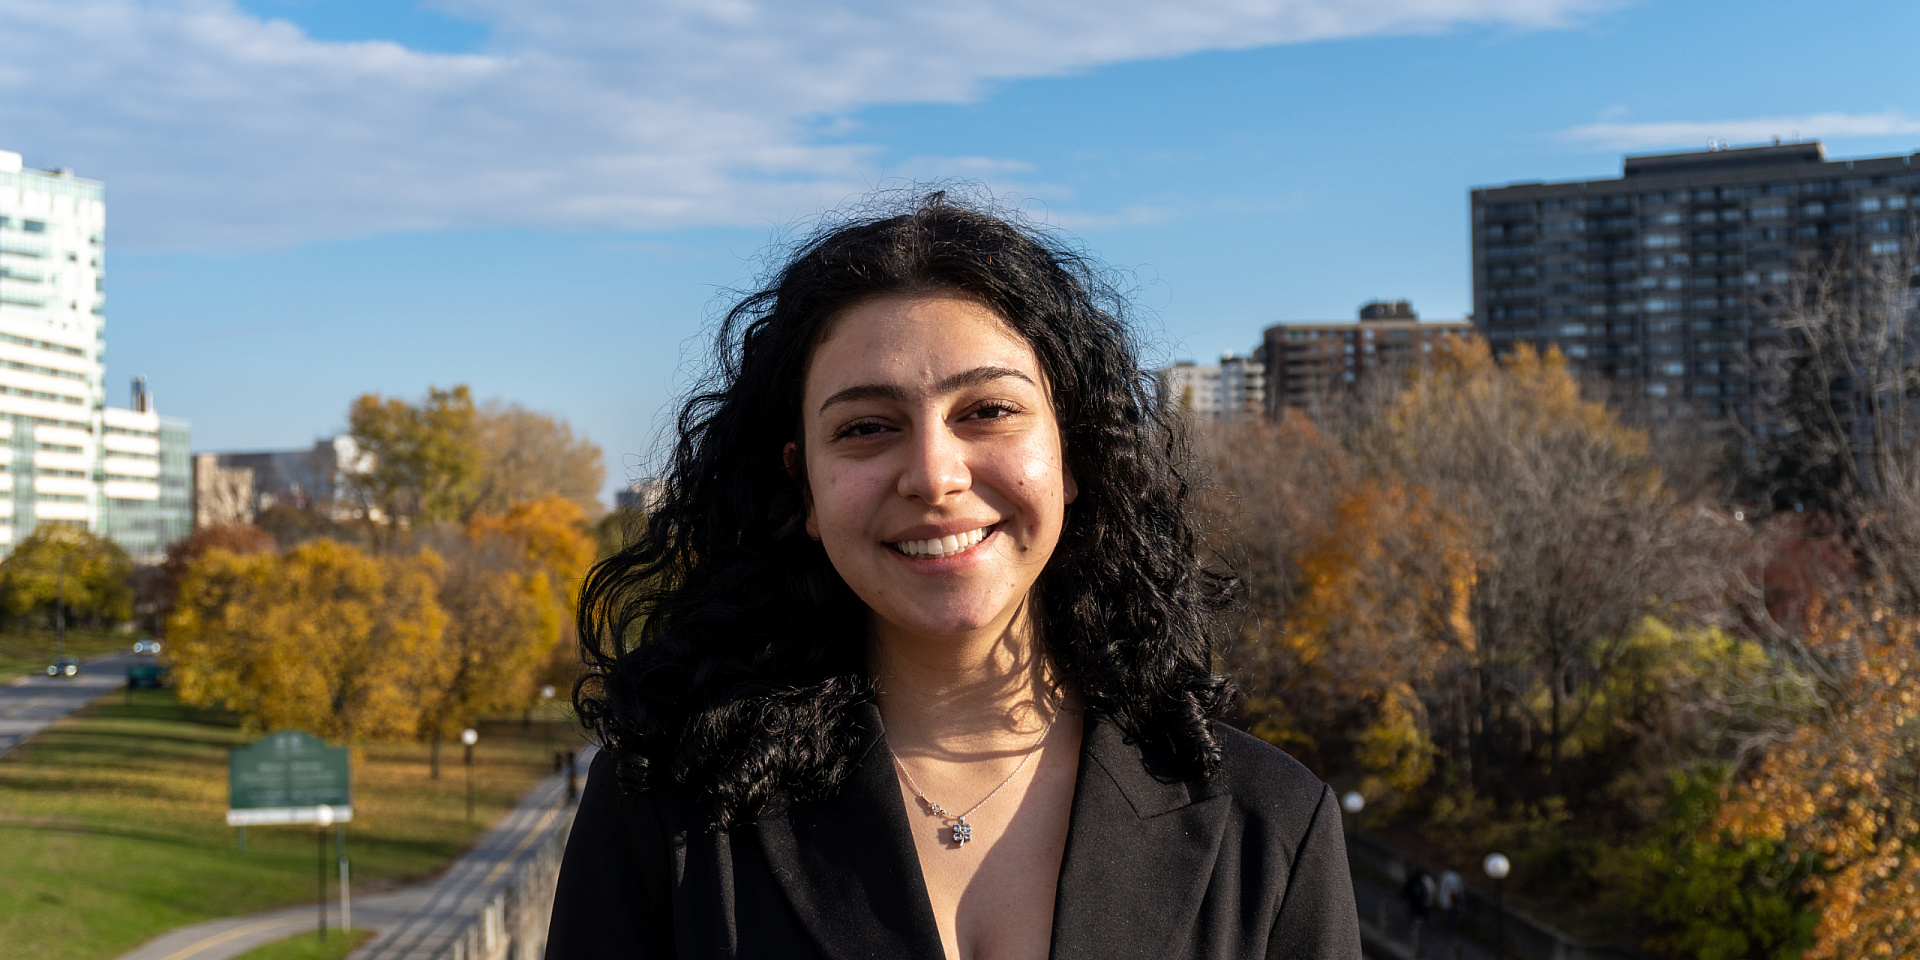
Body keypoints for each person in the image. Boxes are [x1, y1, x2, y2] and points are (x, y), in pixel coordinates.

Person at [544, 193, 1361, 960]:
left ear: (1073, 454)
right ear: (805, 492)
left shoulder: (1270, 827)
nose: (934, 476)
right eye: (867, 427)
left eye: (988, 412)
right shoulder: (667, 806)